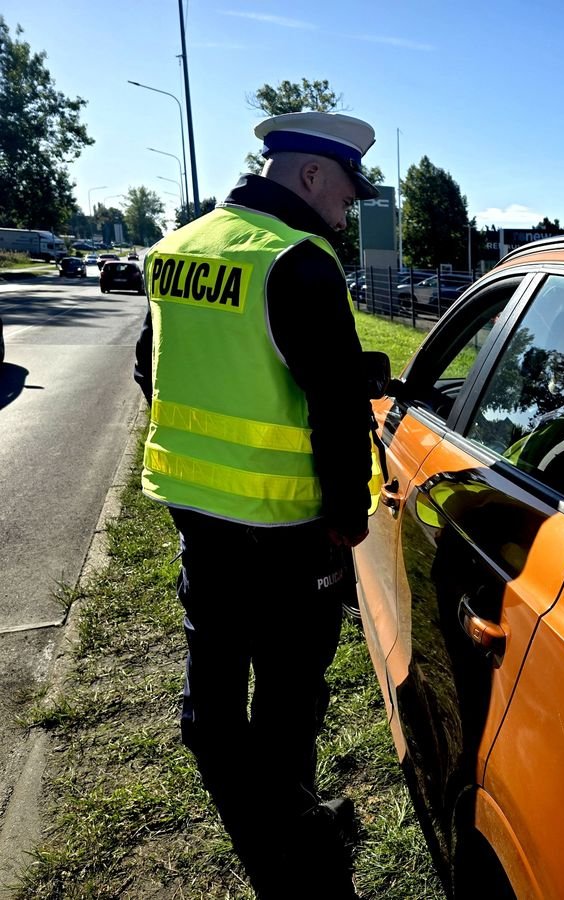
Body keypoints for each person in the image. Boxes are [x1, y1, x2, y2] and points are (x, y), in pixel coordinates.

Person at [133, 111, 382, 898]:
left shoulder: (177, 249)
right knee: (285, 694)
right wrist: (347, 518)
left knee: (212, 666)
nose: (345, 214)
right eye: (346, 195)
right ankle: (294, 833)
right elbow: (336, 406)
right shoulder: (299, 260)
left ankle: (223, 768)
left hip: (197, 511)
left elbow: (155, 365)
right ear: (310, 176)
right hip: (285, 526)